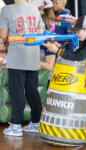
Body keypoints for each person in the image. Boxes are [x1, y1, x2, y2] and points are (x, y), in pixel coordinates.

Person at [0, 0, 45, 136]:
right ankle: (37, 122)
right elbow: (41, 31)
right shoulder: (34, 9)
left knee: (17, 90)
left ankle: (16, 125)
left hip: (17, 55)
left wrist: (6, 41)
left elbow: (3, 35)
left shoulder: (7, 10)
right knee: (32, 90)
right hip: (33, 54)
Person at [40, 2, 56, 88]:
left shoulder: (49, 42)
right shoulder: (35, 39)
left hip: (46, 80)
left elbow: (49, 66)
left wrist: (30, 62)